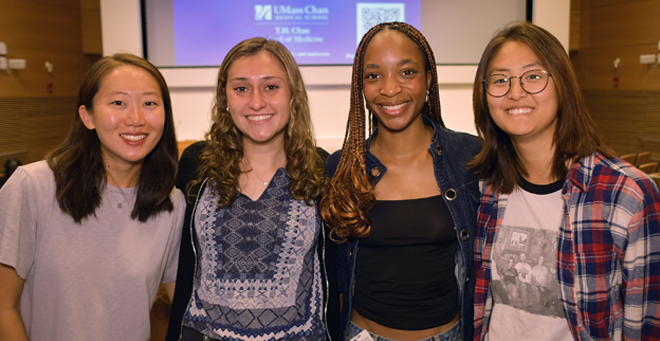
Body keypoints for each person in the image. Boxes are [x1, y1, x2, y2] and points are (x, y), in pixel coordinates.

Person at [471, 22, 660, 341]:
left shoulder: (627, 195)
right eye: (500, 80)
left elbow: (643, 323)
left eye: (533, 76)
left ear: (562, 83)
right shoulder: (485, 188)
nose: (515, 92)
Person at [0, 53, 185, 341]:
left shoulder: (170, 204)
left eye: (149, 103)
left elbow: (186, 310)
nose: (136, 119)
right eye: (118, 103)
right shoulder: (32, 187)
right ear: (87, 116)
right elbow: (3, 307)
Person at [320, 22, 481, 341]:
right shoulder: (342, 167)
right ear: (360, 87)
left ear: (428, 79)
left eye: (406, 72)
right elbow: (335, 275)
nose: (390, 89)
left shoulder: (469, 158)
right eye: (373, 75)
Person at [165, 37, 329, 341]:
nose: (256, 102)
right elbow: (178, 266)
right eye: (241, 88)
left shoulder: (323, 171)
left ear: (293, 94)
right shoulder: (196, 165)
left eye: (271, 86)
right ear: (225, 97)